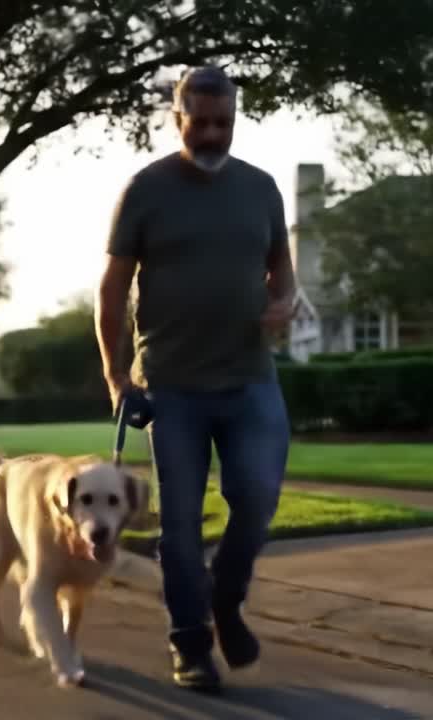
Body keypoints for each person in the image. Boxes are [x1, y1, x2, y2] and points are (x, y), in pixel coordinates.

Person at [95, 64, 296, 692]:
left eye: (223, 123)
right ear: (177, 117)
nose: (212, 134)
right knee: (179, 525)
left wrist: (284, 302)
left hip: (249, 380)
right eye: (199, 122)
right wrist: (114, 377)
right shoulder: (145, 190)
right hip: (172, 385)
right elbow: (110, 290)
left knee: (258, 500)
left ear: (234, 118)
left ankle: (227, 601)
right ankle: (190, 645)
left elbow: (282, 273)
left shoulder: (261, 189)